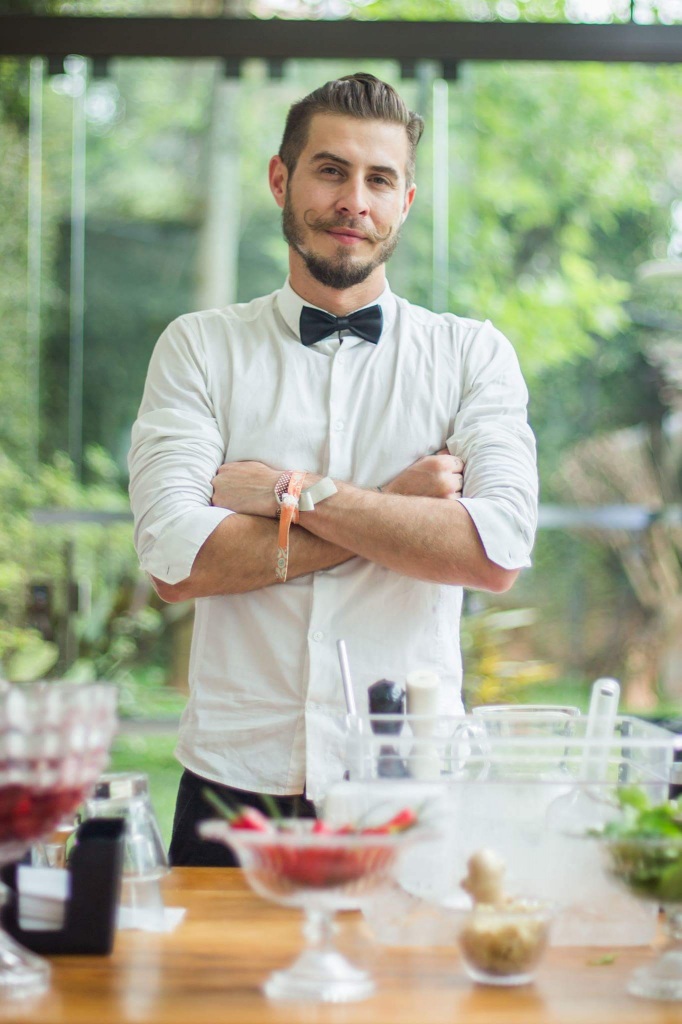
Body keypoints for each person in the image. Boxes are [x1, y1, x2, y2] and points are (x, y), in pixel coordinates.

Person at [128, 73, 538, 866]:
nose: (354, 201)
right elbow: (176, 562)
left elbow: (494, 552)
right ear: (281, 179)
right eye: (330, 170)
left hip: (410, 783)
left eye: (379, 179)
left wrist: (287, 494)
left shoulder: (472, 355)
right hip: (234, 785)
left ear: (404, 202)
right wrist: (396, 507)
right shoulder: (198, 348)